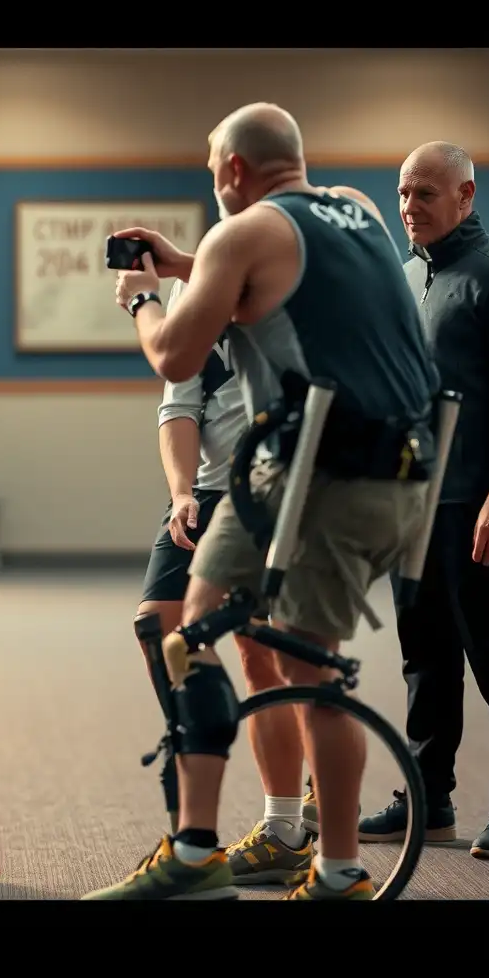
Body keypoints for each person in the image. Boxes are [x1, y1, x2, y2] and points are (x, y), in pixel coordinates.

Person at [83, 102, 439, 902]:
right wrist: (185, 266)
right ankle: (197, 850)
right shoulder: (360, 211)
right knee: (194, 618)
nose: (216, 190)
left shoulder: (238, 234)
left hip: (329, 481)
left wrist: (144, 296)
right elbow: (282, 282)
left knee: (313, 673)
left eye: (215, 175)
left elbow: (175, 351)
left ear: (234, 171)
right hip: (382, 475)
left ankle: (338, 873)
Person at [140, 278, 314, 886]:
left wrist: (143, 302)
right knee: (160, 626)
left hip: (276, 483)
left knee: (261, 648)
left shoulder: (293, 281)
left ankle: (284, 826)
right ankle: (194, 784)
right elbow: (178, 407)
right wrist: (182, 493)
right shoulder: (195, 290)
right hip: (211, 489)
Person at [357, 142, 489, 861]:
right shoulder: (406, 277)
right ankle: (429, 796)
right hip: (411, 503)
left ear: (467, 196)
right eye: (403, 193)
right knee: (426, 657)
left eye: (426, 194)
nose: (409, 207)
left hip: (479, 507)